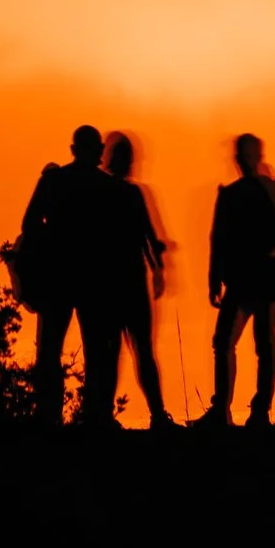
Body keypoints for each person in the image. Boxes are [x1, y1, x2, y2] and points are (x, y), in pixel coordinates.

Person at [16, 124, 120, 426]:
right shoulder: (105, 186)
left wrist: (51, 240)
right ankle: (96, 416)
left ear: (74, 150)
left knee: (50, 350)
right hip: (89, 278)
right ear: (98, 151)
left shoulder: (54, 180)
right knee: (95, 350)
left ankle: (49, 416)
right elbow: (114, 237)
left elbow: (29, 224)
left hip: (59, 276)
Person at [196, 133, 275, 429]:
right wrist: (214, 278)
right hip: (251, 281)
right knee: (243, 344)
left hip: (256, 281)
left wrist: (215, 278)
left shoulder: (250, 194)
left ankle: (252, 411)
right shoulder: (259, 193)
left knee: (251, 344)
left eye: (243, 155)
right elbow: (218, 239)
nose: (241, 161)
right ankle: (239, 411)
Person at [100, 132, 178, 428]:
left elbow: (147, 235)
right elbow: (148, 235)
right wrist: (158, 267)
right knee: (138, 351)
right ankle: (156, 415)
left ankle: (109, 415)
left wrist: (158, 268)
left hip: (115, 282)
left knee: (119, 351)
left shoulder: (108, 192)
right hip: (127, 281)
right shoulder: (129, 194)